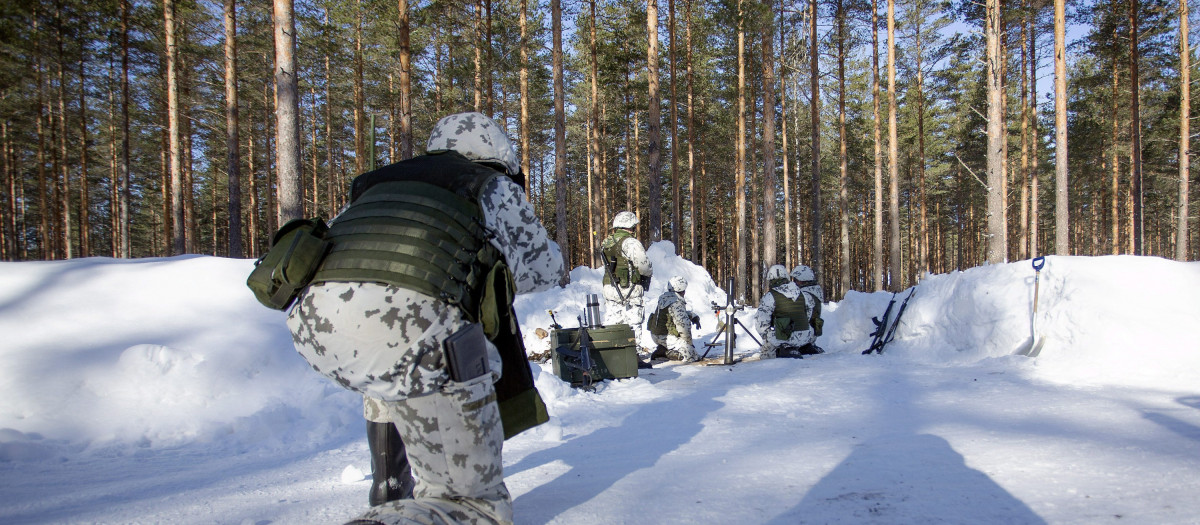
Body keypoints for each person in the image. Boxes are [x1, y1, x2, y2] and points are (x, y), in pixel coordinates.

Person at [286, 111, 564, 525]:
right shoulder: (490, 184)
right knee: (471, 505)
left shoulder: (378, 182)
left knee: (392, 349)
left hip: (314, 325)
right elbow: (548, 269)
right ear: (497, 152)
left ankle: (390, 483)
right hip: (416, 332)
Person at [599, 211, 653, 350]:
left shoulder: (607, 242)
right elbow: (643, 266)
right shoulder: (631, 242)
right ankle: (633, 354)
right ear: (630, 226)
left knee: (613, 320)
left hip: (610, 286)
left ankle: (612, 353)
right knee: (633, 320)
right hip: (629, 287)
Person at [754, 264, 817, 359]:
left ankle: (784, 349)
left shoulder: (771, 296)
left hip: (784, 338)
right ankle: (803, 347)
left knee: (766, 352)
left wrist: (767, 337)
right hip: (806, 336)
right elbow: (808, 313)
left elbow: (761, 322)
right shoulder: (802, 293)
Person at [647, 276, 701, 362]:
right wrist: (689, 343)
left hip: (655, 336)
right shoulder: (676, 302)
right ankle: (665, 352)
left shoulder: (665, 298)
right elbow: (683, 326)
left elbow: (672, 315)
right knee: (692, 355)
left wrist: (693, 316)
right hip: (667, 337)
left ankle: (663, 348)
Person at [791, 264, 825, 355]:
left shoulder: (805, 295)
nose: (794, 283)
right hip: (810, 334)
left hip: (803, 335)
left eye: (796, 280)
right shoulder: (813, 292)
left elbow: (802, 318)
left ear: (802, 280)